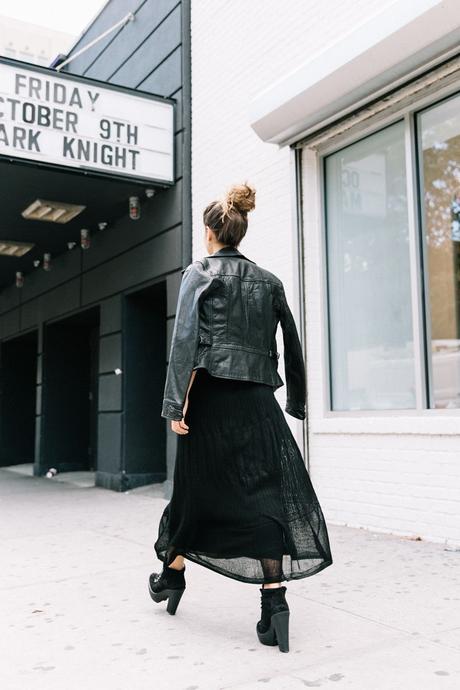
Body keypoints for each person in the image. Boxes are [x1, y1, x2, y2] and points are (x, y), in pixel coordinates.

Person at [148, 182, 333, 652]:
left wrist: (175, 406)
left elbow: (184, 343)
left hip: (208, 400)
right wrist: (297, 402)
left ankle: (172, 576)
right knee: (263, 493)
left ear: (211, 232)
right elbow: (292, 341)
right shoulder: (269, 281)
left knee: (195, 489)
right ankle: (275, 604)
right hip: (256, 403)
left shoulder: (200, 272)